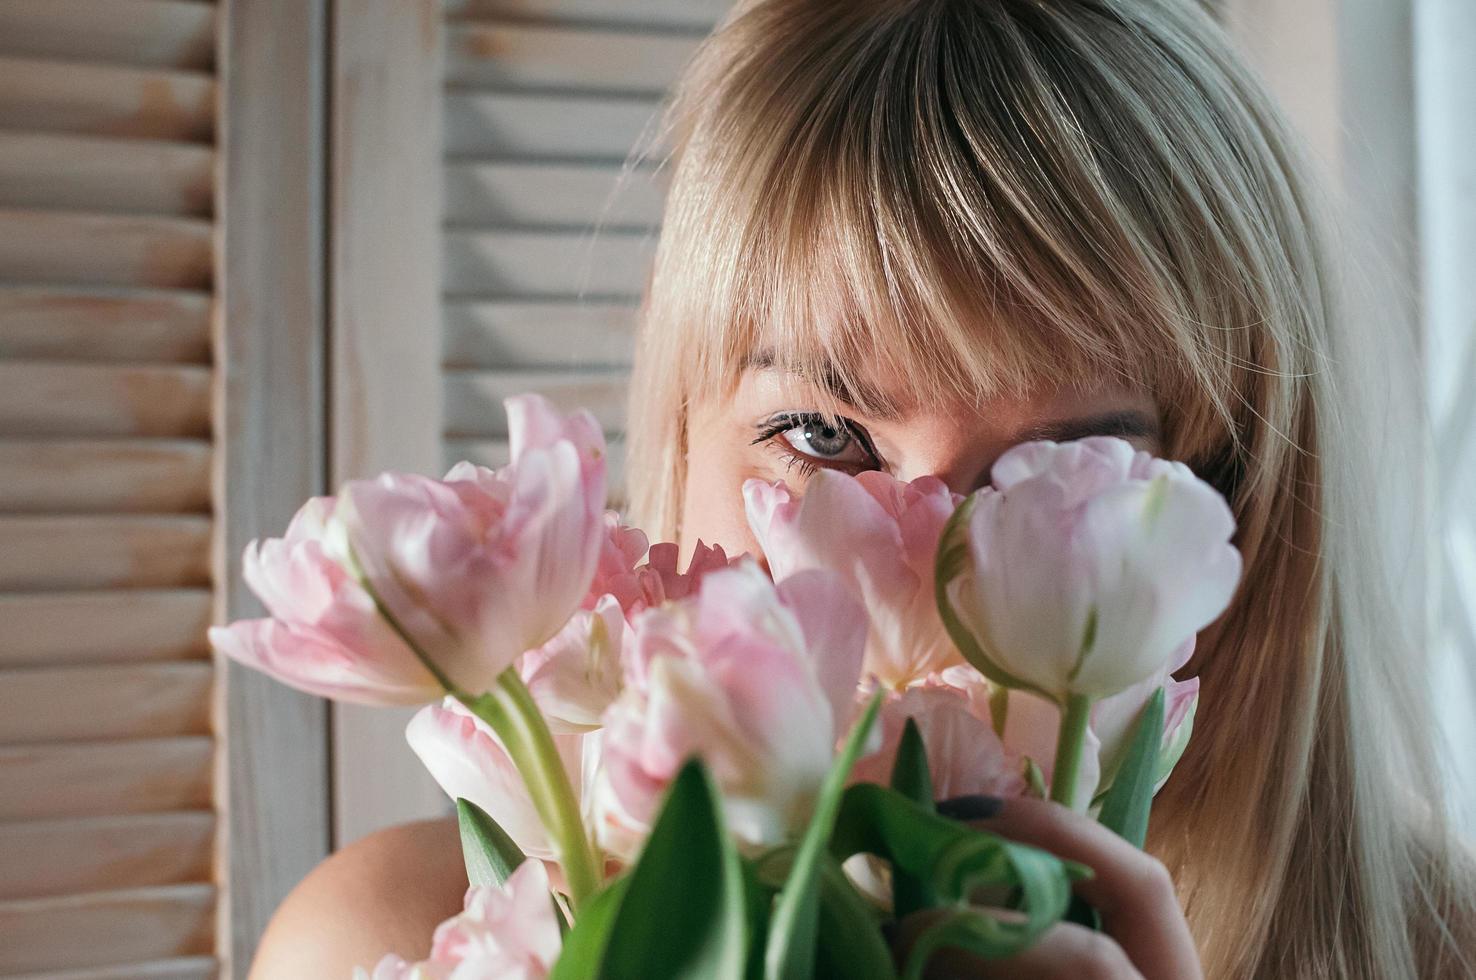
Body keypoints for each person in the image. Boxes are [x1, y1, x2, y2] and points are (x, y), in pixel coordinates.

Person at [251, 0, 1475, 976]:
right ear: (683, 441)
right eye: (824, 437)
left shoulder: (1438, 946)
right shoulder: (390, 944)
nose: (926, 589)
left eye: (1058, 474)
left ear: (1244, 518)